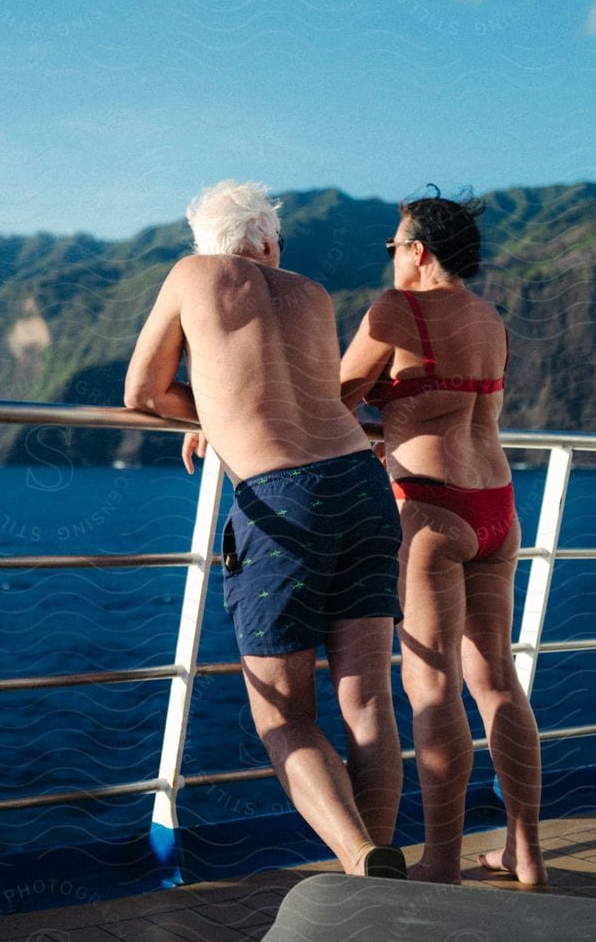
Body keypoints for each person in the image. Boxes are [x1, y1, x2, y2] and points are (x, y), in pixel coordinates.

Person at [124, 179, 407, 879]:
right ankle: (382, 861)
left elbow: (142, 391)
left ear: (207, 242)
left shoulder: (193, 275)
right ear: (269, 242)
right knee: (367, 698)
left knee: (286, 715)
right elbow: (310, 391)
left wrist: (211, 417)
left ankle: (359, 857)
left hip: (284, 500)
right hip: (362, 484)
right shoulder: (309, 292)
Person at [339, 189, 544, 886]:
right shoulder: (490, 319)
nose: (391, 257)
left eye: (394, 246)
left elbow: (330, 396)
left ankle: (444, 863)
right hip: (498, 506)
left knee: (432, 685)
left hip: (432, 508)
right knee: (497, 678)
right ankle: (526, 850)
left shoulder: (397, 310)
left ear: (419, 252)